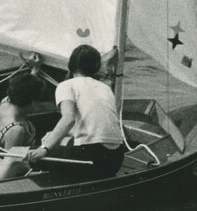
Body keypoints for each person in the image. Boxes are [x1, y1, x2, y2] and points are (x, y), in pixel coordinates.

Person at [29, 44, 126, 180]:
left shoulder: (66, 85)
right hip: (115, 160)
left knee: (15, 155)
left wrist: (44, 148)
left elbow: (69, 119)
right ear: (96, 66)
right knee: (60, 139)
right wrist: (55, 137)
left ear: (71, 65)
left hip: (90, 159)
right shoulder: (105, 88)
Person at [0, 71, 44, 183]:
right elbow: (10, 165)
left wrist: (34, 71)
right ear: (32, 102)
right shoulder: (16, 130)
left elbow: (21, 89)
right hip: (11, 173)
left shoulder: (6, 102)